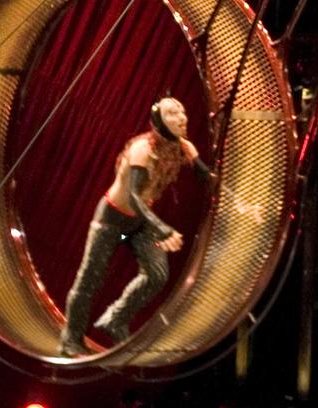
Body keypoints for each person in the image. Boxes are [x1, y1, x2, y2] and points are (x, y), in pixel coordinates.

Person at [58, 95, 215, 356]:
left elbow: (207, 178)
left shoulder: (184, 147)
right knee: (89, 280)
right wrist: (163, 228)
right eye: (172, 113)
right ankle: (70, 339)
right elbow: (133, 196)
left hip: (140, 223)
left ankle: (115, 319)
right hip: (112, 220)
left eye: (182, 111)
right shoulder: (142, 149)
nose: (182, 118)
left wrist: (241, 204)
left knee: (157, 274)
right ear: (158, 121)